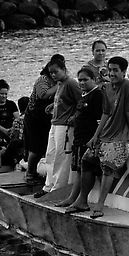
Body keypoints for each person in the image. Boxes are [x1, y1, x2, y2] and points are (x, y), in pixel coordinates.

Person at [76, 56, 129, 219]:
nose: (112, 73)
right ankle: (82, 200)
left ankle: (100, 204)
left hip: (120, 135)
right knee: (86, 160)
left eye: (115, 70)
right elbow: (105, 113)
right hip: (106, 134)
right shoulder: (106, 88)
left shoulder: (128, 87)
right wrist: (96, 136)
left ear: (124, 72)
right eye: (110, 70)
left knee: (108, 166)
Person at [34, 57, 84, 198]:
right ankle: (48, 185)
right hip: (55, 122)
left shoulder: (71, 83)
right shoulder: (60, 84)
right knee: (50, 155)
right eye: (51, 73)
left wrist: (74, 116)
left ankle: (58, 187)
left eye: (56, 72)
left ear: (63, 70)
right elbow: (63, 100)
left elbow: (81, 101)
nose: (53, 75)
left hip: (64, 125)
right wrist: (53, 106)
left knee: (60, 157)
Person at [54, 67, 103, 209]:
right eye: (80, 80)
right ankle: (72, 198)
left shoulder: (97, 95)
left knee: (87, 168)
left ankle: (82, 200)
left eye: (85, 80)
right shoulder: (84, 95)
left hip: (89, 138)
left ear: (94, 79)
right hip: (79, 137)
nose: (81, 82)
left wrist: (95, 138)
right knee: (79, 169)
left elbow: (100, 119)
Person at [23, 55, 61, 185]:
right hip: (34, 117)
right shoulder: (43, 80)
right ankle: (30, 173)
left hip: (47, 116)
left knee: (46, 146)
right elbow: (43, 95)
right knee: (36, 147)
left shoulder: (58, 80)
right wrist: (60, 85)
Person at [1, 96, 29, 168]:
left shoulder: (18, 120)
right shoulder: (35, 118)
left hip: (23, 145)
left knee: (11, 145)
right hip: (33, 145)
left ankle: (8, 162)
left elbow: (15, 137)